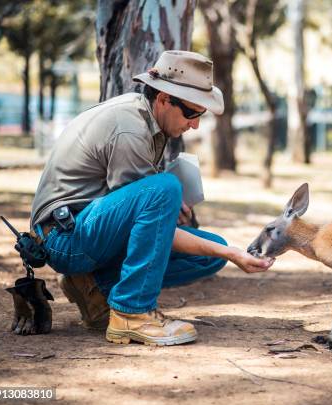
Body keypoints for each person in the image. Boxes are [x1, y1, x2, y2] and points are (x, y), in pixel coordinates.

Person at [29, 51, 273, 346]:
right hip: (63, 240)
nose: (195, 124)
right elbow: (145, 219)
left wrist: (218, 247)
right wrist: (232, 254)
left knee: (210, 253)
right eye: (192, 113)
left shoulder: (149, 121)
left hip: (85, 230)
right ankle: (131, 312)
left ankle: (98, 286)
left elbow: (140, 225)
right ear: (163, 99)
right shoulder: (130, 128)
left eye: (201, 115)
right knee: (166, 190)